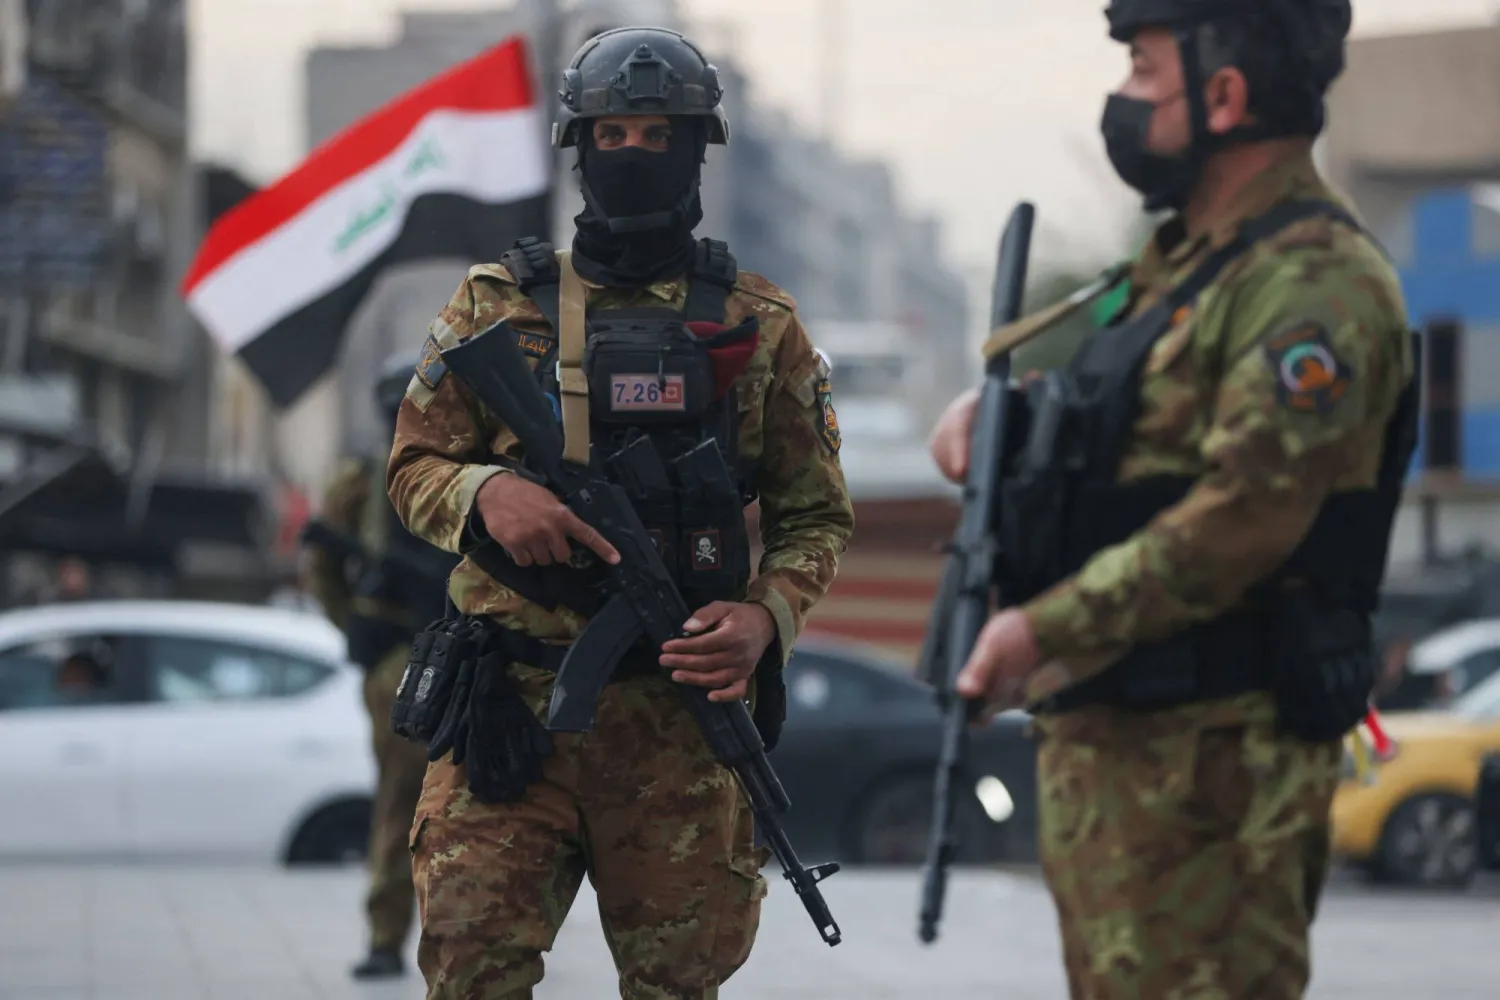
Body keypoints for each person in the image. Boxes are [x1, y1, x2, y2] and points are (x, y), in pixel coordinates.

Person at [929, 2, 1415, 997]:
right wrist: (1005, 419)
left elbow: (1246, 514)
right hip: (1126, 766)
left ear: (1225, 94)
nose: (1124, 98)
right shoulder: (1184, 267)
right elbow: (1132, 448)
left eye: (1145, 70)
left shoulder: (1312, 282)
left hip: (1213, 782)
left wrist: (1042, 629)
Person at [386, 26, 853, 999]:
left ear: (696, 151)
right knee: (470, 971)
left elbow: (815, 517)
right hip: (507, 710)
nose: (634, 155)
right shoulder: (495, 305)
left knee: (678, 982)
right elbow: (414, 467)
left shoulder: (760, 324)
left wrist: (765, 617)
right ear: (579, 147)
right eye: (612, 135)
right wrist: (486, 493)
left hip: (677, 722)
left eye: (658, 136)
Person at [303, 352, 461, 981]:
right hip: (408, 652)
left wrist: (357, 627)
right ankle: (394, 935)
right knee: (409, 800)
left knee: (438, 803)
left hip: (443, 651)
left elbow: (323, 574)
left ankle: (437, 935)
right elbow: (323, 563)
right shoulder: (375, 479)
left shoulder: (446, 474)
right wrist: (361, 630)